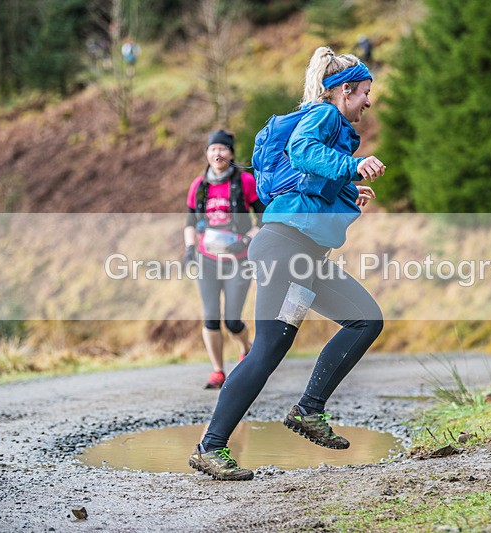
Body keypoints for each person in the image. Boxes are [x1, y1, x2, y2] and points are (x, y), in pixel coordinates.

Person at [189, 47, 386, 481]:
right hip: (286, 250)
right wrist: (353, 167)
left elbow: (309, 191)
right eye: (365, 93)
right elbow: (301, 151)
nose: (368, 102)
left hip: (303, 254)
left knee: (365, 319)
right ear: (345, 90)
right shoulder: (324, 115)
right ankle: (211, 447)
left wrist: (351, 195)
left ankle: (309, 409)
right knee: (267, 350)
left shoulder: (334, 129)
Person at [183, 130, 265, 389]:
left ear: (231, 154)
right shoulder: (199, 186)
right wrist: (188, 248)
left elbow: (263, 219)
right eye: (212, 149)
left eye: (222, 149)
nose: (217, 153)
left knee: (232, 319)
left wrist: (247, 239)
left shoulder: (245, 182)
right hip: (207, 259)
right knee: (210, 317)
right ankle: (218, 371)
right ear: (207, 154)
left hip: (238, 260)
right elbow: (190, 221)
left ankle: (245, 346)